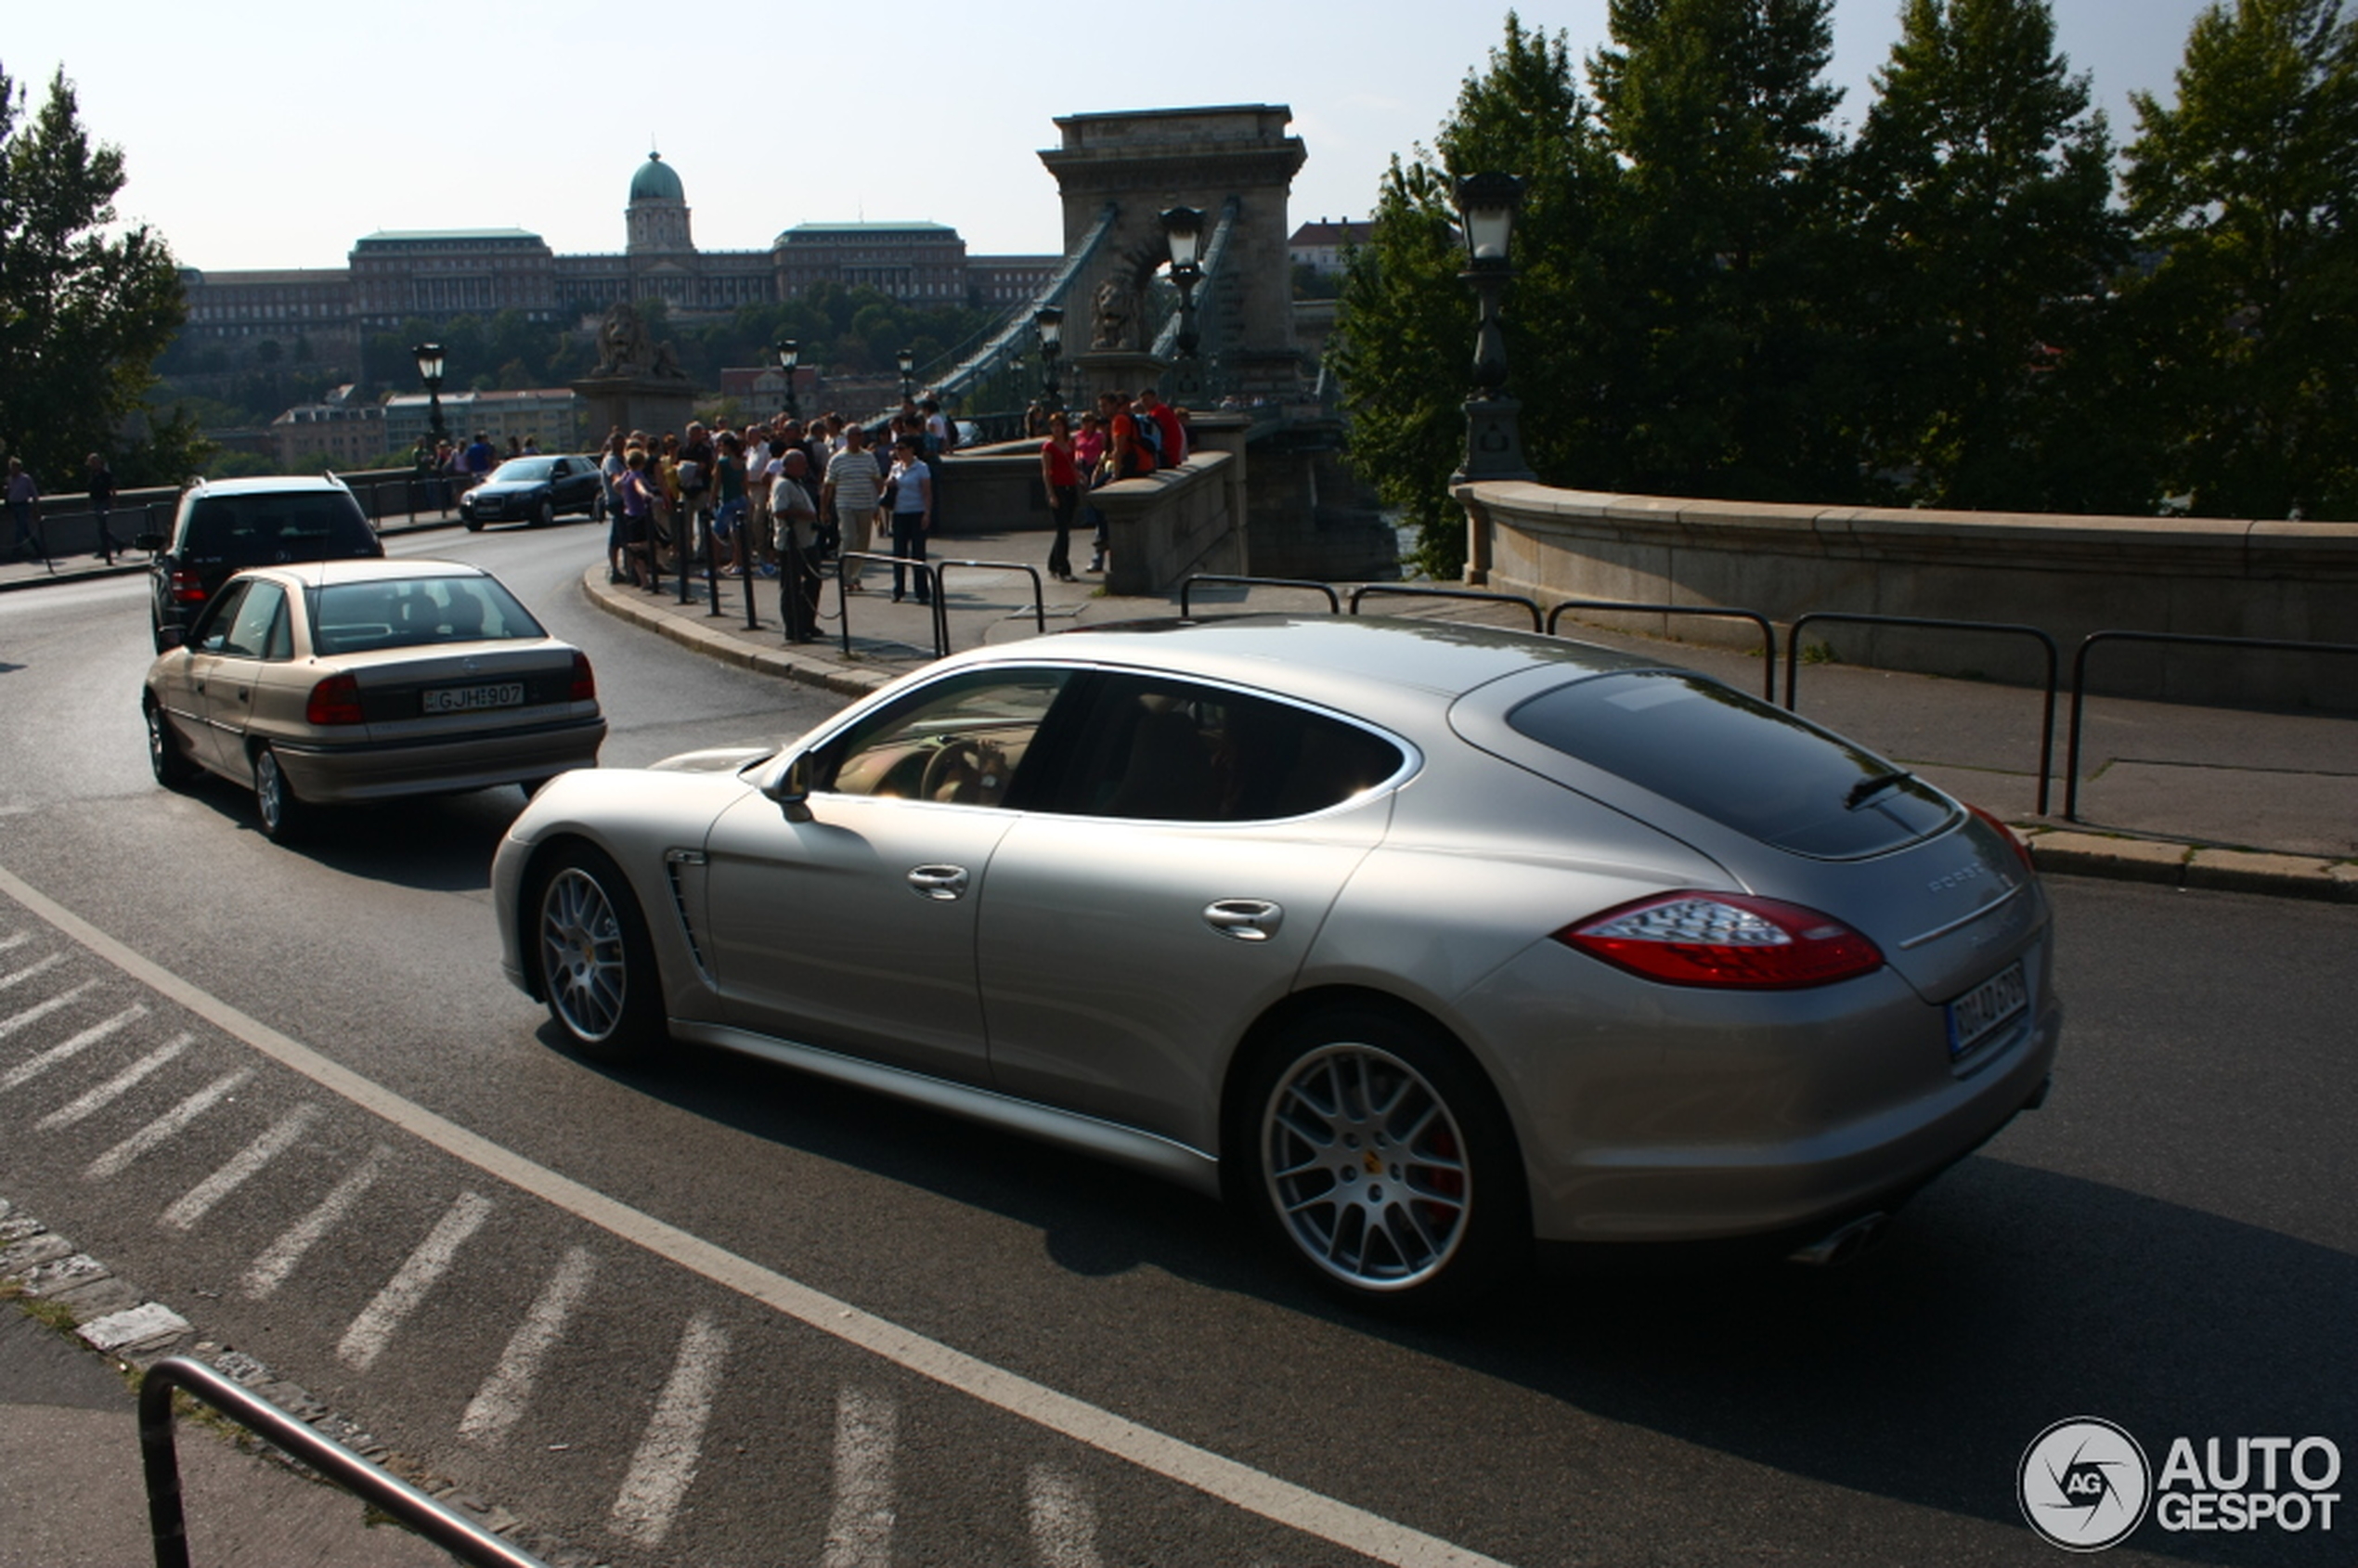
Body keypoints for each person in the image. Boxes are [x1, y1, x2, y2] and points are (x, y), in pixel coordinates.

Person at [821, 422, 883, 592]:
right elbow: (828, 487)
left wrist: (881, 504)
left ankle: (855, 575)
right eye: (856, 435)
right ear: (848, 438)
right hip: (845, 505)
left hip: (865, 504)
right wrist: (824, 509)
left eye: (861, 435)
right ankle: (845, 576)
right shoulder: (837, 459)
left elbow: (877, 481)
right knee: (848, 539)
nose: (860, 438)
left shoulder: (869, 458)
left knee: (863, 543)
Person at [771, 445, 823, 641]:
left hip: (806, 540)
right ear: (791, 465)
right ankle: (793, 628)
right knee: (791, 586)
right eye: (801, 464)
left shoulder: (797, 482)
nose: (805, 467)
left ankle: (807, 623)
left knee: (813, 582)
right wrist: (804, 514)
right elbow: (779, 511)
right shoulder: (783, 484)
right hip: (791, 543)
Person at [884, 435, 933, 604]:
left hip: (916, 511)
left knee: (918, 554)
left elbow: (927, 492)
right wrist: (888, 484)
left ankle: (922, 591)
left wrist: (927, 513)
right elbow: (888, 488)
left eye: (902, 448)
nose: (899, 451)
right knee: (899, 553)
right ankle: (898, 589)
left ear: (911, 449)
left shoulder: (921, 468)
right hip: (899, 513)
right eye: (897, 448)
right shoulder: (896, 467)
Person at [1039, 410, 1081, 582]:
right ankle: (1064, 568)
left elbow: (1072, 464)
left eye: (1059, 425)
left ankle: (1052, 563)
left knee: (1064, 529)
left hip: (1071, 488)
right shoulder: (1048, 447)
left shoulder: (1070, 444)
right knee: (1063, 530)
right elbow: (1046, 472)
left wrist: (1079, 476)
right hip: (1058, 489)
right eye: (1053, 426)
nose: (1056, 429)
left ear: (1065, 427)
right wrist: (1051, 494)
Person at [613, 448, 660, 590]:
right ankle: (635, 549)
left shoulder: (626, 474)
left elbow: (616, 486)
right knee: (657, 542)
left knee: (637, 553)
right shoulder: (636, 475)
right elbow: (639, 486)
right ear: (642, 462)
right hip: (640, 515)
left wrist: (625, 496)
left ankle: (644, 580)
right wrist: (646, 495)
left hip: (629, 514)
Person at [710, 432, 748, 576]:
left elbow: (716, 484)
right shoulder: (741, 463)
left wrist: (711, 501)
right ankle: (738, 563)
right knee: (736, 534)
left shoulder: (722, 463)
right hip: (740, 499)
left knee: (718, 534)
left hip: (727, 500)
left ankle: (714, 564)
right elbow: (744, 485)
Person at [84, 452, 122, 564]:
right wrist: (89, 503)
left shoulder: (106, 475)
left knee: (102, 527)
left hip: (104, 501)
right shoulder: (92, 475)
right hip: (96, 501)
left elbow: (113, 488)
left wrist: (114, 502)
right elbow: (91, 491)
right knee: (101, 527)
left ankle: (106, 549)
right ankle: (116, 544)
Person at [6, 459, 40, 563]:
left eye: (14, 467)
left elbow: (34, 493)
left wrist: (35, 507)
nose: (12, 470)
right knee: (25, 530)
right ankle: (38, 549)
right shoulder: (9, 479)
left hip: (23, 505)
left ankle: (16, 554)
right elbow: (9, 493)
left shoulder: (25, 479)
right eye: (11, 467)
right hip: (13, 506)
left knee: (19, 531)